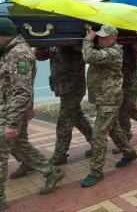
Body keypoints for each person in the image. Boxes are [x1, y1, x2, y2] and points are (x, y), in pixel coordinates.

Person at [0, 18, 65, 210]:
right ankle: (50, 172)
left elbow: (22, 91)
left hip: (12, 114)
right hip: (7, 110)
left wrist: (11, 123)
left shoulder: (19, 54)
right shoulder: (8, 51)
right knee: (21, 147)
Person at [81, 24, 137, 187]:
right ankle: (129, 153)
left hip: (110, 100)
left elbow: (88, 56)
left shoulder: (112, 52)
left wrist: (87, 41)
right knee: (113, 128)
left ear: (114, 39)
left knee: (98, 134)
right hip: (103, 98)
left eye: (105, 37)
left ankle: (96, 172)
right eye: (100, 36)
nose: (101, 39)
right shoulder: (104, 50)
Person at [112, 43, 137, 154]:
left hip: (131, 84)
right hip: (121, 83)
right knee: (131, 109)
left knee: (123, 111)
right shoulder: (118, 46)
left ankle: (126, 139)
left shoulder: (135, 48)